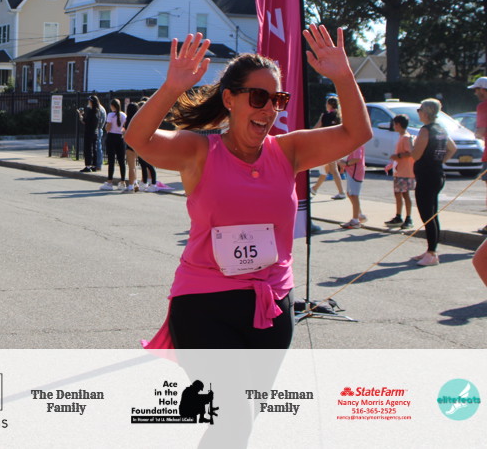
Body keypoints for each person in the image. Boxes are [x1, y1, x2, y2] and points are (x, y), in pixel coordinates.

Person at [123, 26, 369, 349]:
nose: (268, 109)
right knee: (225, 385)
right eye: (258, 97)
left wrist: (344, 77)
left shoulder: (288, 151)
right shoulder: (199, 151)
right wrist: (172, 87)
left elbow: (357, 133)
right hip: (204, 304)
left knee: (256, 385)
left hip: (272, 303)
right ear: (229, 99)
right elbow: (137, 138)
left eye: (277, 100)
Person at [409, 98, 457, 266]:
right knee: (432, 213)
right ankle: (431, 248)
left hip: (427, 176)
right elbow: (452, 148)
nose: (418, 113)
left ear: (426, 112)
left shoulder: (425, 130)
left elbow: (416, 155)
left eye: (419, 110)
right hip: (436, 174)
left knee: (427, 215)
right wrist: (439, 161)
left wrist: (411, 143)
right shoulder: (441, 128)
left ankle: (432, 253)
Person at [310, 97, 347, 200]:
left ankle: (341, 192)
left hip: (327, 145)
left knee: (333, 169)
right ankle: (314, 189)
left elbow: (316, 128)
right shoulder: (339, 116)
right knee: (325, 169)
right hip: (336, 145)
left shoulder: (325, 116)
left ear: (329, 105)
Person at [384, 114, 415, 229]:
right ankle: (398, 216)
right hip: (399, 170)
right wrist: (393, 163)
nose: (393, 126)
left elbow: (410, 153)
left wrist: (397, 156)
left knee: (405, 194)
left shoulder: (406, 138)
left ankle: (408, 218)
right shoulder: (401, 137)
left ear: (398, 124)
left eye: (394, 124)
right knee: (397, 193)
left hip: (405, 171)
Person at [470, 77, 487, 234]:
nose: (475, 93)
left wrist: (476, 133)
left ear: (483, 90)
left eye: (476, 90)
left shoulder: (483, 106)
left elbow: (480, 132)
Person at [100, 98, 127, 191]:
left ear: (112, 106)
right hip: (120, 137)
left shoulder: (111, 115)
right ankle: (123, 182)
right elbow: (125, 127)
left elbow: (108, 127)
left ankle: (110, 182)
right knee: (121, 161)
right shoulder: (123, 115)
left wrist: (106, 127)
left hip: (111, 137)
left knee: (111, 160)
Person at [338, 143, 366, 228]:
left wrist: (346, 163)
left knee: (354, 195)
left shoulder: (357, 144)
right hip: (351, 172)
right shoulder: (355, 143)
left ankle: (355, 221)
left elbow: (357, 158)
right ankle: (359, 215)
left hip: (355, 173)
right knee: (350, 194)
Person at [79, 96, 100, 173]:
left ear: (91, 102)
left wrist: (81, 115)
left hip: (89, 132)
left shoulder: (90, 111)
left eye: (89, 101)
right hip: (95, 132)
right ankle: (94, 165)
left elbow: (85, 121)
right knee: (94, 149)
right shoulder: (98, 111)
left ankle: (88, 166)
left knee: (88, 149)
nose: (88, 102)